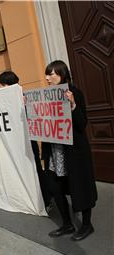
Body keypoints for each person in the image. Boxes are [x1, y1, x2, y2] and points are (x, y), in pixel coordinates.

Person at [42, 60, 97, 241]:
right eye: (47, 74)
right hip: (54, 152)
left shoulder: (75, 93)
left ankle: (87, 225)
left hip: (74, 152)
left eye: (51, 74)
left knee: (80, 187)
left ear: (62, 74)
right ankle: (67, 224)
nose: (47, 78)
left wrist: (73, 105)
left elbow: (82, 124)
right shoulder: (46, 96)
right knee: (55, 187)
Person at [0, 71, 52, 210]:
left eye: (2, 85)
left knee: (37, 170)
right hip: (16, 144)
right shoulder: (8, 100)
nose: (1, 89)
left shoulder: (25, 98)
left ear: (9, 85)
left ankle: (47, 200)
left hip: (29, 142)